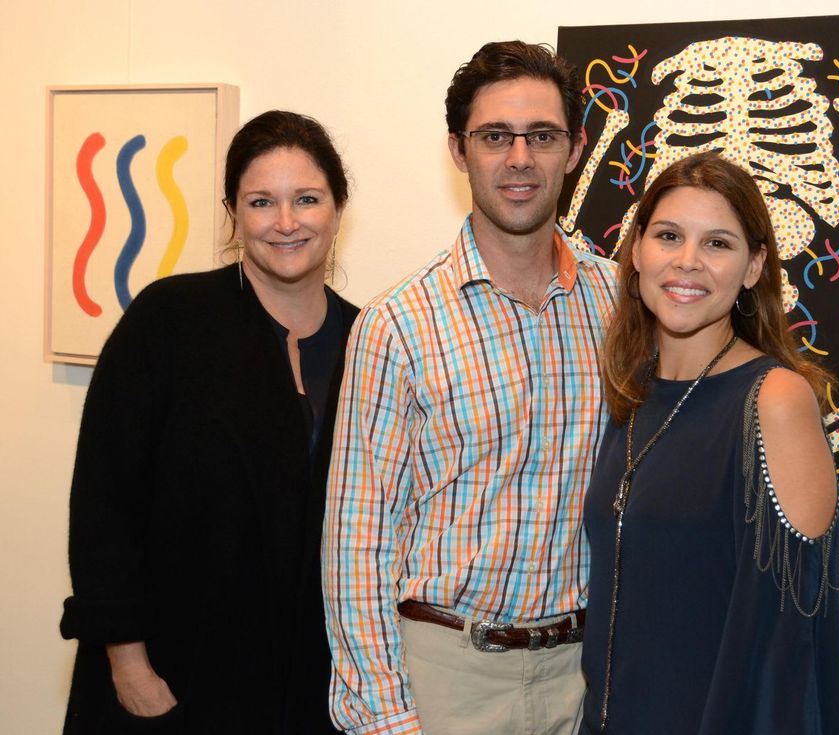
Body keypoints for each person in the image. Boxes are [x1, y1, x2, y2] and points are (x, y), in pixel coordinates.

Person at [322, 41, 617, 735]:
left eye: (542, 136)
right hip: (446, 678)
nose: (520, 158)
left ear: (573, 150)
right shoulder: (397, 324)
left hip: (583, 672)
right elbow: (356, 543)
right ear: (459, 150)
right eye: (495, 137)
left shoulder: (618, 302)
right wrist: (388, 717)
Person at [60, 110, 357, 734]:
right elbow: (104, 503)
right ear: (232, 212)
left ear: (338, 207)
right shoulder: (169, 322)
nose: (285, 222)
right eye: (260, 202)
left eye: (307, 199)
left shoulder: (370, 338)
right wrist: (129, 665)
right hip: (174, 677)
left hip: (311, 689)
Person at [578, 152, 839, 734]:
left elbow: (787, 649)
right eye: (669, 235)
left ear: (754, 267)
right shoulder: (631, 393)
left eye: (718, 244)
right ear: (636, 251)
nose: (687, 262)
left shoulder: (774, 400)